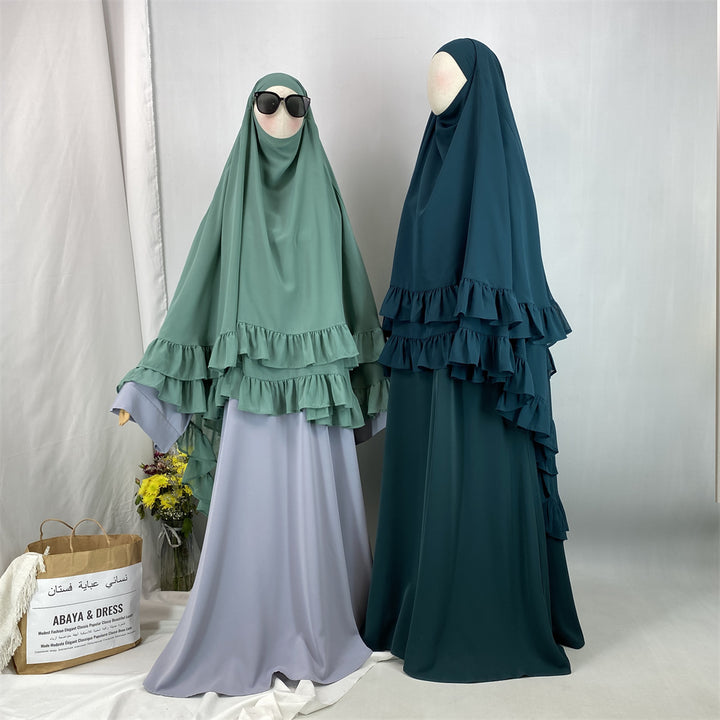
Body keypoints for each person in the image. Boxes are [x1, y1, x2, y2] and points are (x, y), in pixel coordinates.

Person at [113, 72, 387, 697]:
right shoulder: (233, 196)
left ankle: (322, 620)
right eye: (268, 103)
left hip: (316, 392)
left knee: (316, 509)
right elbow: (197, 290)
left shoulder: (324, 192)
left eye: (296, 105)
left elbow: (352, 287)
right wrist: (144, 388)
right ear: (250, 112)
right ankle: (247, 623)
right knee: (253, 513)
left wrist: (376, 376)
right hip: (252, 386)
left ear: (309, 115)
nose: (282, 116)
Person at [363, 39, 584, 683]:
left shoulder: (499, 173)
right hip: (428, 357)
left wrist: (473, 331)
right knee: (426, 471)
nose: (436, 91)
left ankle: (475, 609)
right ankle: (412, 599)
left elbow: (502, 275)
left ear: (478, 92)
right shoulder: (428, 170)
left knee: (470, 471)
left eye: (451, 80)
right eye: (433, 78)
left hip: (478, 362)